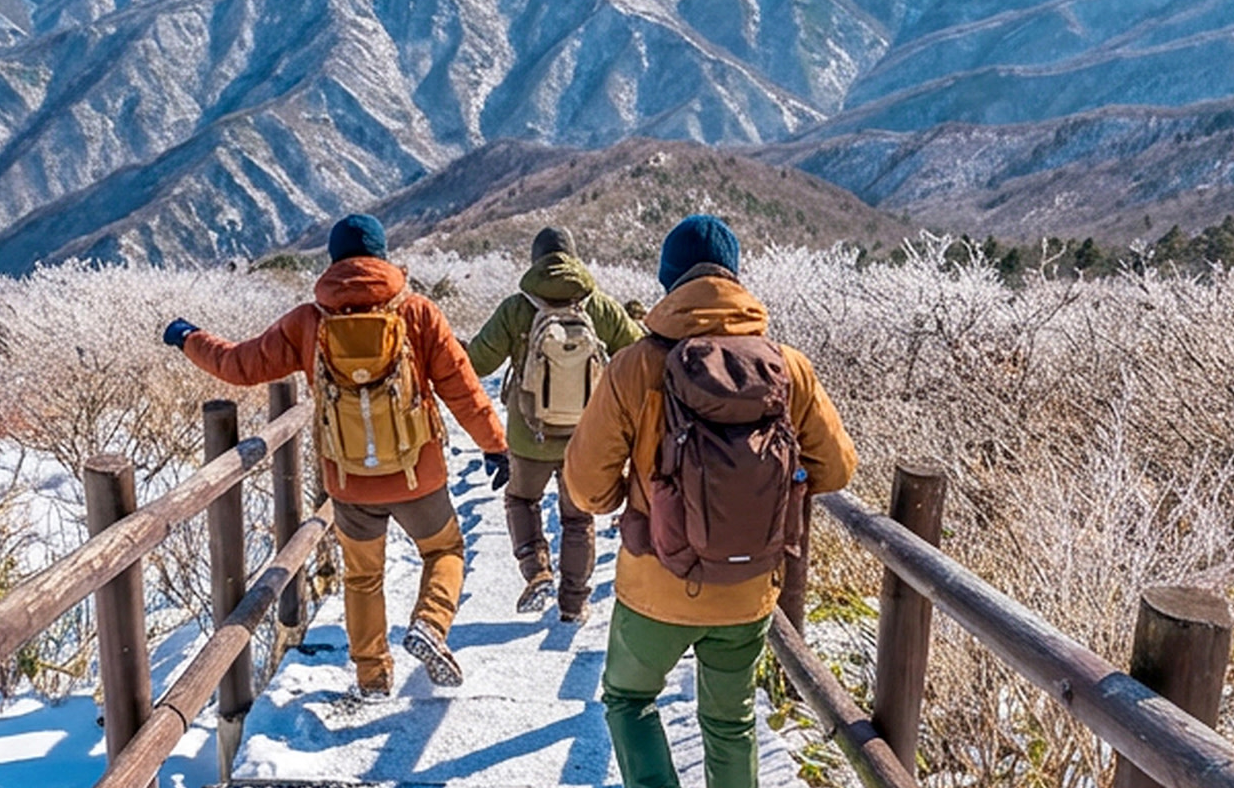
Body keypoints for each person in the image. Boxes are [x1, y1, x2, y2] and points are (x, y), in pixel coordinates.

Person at [565, 215, 858, 788]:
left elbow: (587, 489)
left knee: (627, 699)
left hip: (657, 580)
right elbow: (838, 468)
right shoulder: (786, 368)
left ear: (668, 280)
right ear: (736, 277)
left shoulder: (637, 366)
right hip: (748, 587)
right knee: (731, 721)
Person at [163, 213, 508, 698]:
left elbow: (239, 366)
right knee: (444, 550)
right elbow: (462, 388)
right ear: (383, 257)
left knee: (363, 576)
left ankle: (372, 676)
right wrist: (495, 445)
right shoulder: (417, 313)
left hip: (349, 480)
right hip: (417, 475)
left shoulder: (309, 321)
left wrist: (189, 337)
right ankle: (430, 623)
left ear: (334, 262)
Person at [461, 226, 642, 620]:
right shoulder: (601, 307)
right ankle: (574, 604)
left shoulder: (516, 308)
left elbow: (476, 364)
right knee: (577, 518)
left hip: (530, 435)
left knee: (521, 500)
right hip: (586, 435)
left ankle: (536, 570)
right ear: (574, 259)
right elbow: (639, 355)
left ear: (535, 261)